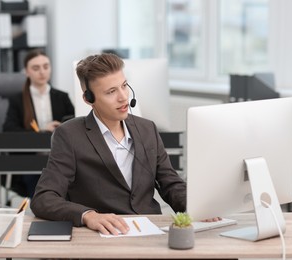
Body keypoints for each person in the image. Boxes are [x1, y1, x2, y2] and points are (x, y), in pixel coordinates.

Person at [30, 53, 187, 235]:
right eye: (111, 92)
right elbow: (43, 199)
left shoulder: (147, 129)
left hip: (150, 232)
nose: (123, 97)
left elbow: (171, 184)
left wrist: (197, 208)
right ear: (89, 99)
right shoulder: (69, 135)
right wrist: (88, 215)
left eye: (124, 86)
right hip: (103, 235)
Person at [3, 49, 75, 198]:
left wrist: (62, 128)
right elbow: (9, 130)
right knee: (39, 187)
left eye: (46, 66)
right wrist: (41, 131)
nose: (42, 72)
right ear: (26, 72)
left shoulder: (62, 97)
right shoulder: (17, 100)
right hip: (31, 160)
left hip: (59, 158)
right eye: (36, 68)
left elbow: (76, 122)